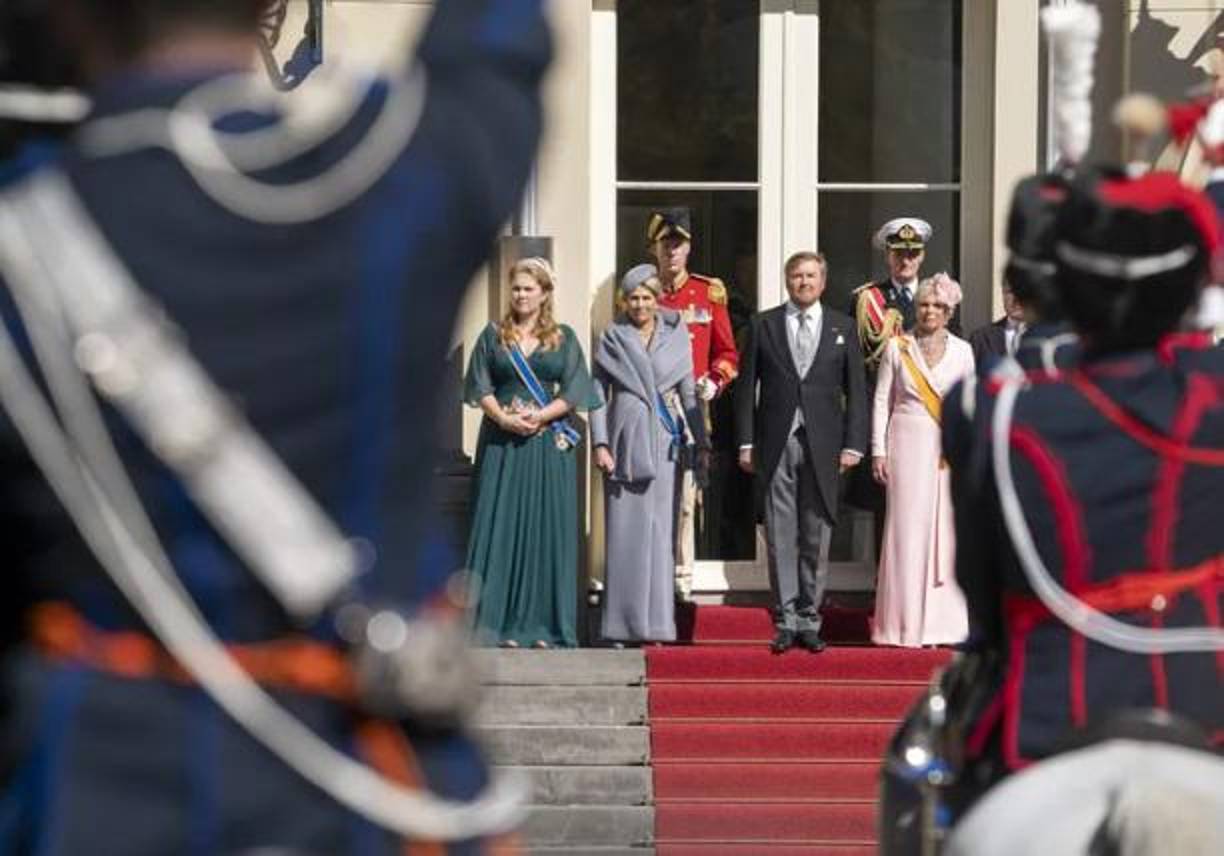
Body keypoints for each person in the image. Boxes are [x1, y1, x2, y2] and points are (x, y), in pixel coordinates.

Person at [0, 1, 551, 853]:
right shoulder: (402, 173)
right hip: (371, 800)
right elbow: (499, 34)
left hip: (98, 799)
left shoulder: (20, 240)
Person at [944, 166, 1223, 796]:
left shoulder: (993, 403)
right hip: (1210, 698)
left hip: (1051, 705)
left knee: (923, 782)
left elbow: (981, 585)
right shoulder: (1211, 387)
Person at [734, 251, 868, 653]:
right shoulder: (764, 324)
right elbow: (745, 391)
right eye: (796, 276)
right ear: (787, 280)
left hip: (825, 445)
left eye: (810, 276)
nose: (803, 282)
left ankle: (811, 617)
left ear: (823, 282)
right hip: (776, 442)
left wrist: (853, 444)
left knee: (816, 533)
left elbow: (857, 392)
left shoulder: (843, 327)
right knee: (779, 533)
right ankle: (786, 617)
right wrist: (746, 441)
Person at [464, 257, 600, 649]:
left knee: (545, 530)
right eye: (517, 288)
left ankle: (544, 628)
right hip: (501, 444)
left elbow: (575, 390)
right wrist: (505, 420)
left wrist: (540, 416)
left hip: (546, 445)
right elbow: (479, 386)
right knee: (498, 525)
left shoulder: (564, 337)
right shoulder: (493, 336)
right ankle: (495, 625)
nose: (521, 295)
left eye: (529, 288)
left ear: (544, 293)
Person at [590, 264, 708, 643]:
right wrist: (601, 442)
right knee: (624, 535)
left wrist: (701, 439)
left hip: (665, 439)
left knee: (660, 535)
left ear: (658, 300)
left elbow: (689, 393)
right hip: (624, 440)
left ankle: (657, 624)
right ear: (625, 300)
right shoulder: (612, 336)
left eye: (647, 297)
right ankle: (620, 626)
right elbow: (595, 394)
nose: (640, 304)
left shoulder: (677, 338)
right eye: (634, 297)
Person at [870, 273, 974, 647]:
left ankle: (942, 626)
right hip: (907, 442)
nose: (929, 311)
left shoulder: (964, 351)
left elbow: (970, 404)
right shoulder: (898, 347)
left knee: (944, 532)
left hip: (947, 449)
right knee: (907, 531)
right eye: (924, 305)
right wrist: (878, 451)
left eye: (937, 306)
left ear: (948, 312)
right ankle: (901, 626)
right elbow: (883, 399)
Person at [648, 208, 739, 600]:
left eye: (679, 244)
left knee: (686, 500)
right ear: (654, 248)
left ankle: (681, 581)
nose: (672, 251)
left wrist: (714, 383)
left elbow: (728, 354)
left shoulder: (707, 293)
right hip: (652, 406)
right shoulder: (642, 293)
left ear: (689, 248)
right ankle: (651, 574)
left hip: (690, 409)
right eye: (666, 243)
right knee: (651, 496)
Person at [968, 281, 1026, 367]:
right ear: (1003, 295)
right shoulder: (980, 338)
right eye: (1010, 292)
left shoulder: (1046, 338)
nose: (1016, 299)